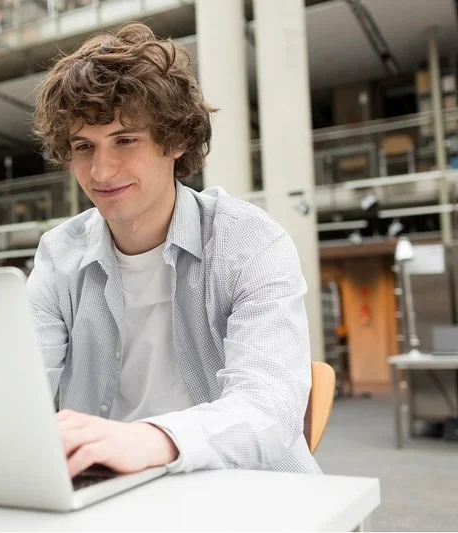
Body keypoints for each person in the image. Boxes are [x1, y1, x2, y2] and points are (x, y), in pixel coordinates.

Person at [28, 22, 321, 477]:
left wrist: (153, 438)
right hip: (114, 494)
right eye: (84, 147)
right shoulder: (58, 256)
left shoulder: (249, 242)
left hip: (250, 494)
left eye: (125, 140)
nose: (101, 170)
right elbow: (19, 388)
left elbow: (269, 404)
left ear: (176, 141)